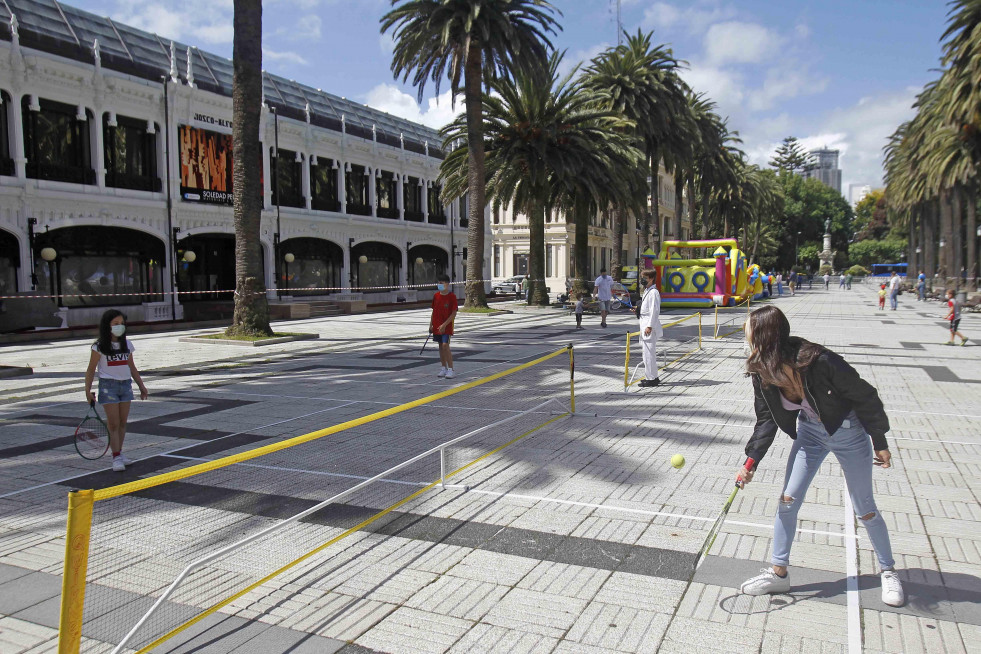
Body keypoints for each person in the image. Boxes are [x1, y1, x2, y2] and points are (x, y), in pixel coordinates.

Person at [736, 305, 904, 608]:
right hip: (810, 435)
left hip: (848, 432)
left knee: (864, 508)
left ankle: (888, 570)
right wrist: (751, 463)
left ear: (763, 334)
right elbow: (766, 419)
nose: (743, 331)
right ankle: (779, 573)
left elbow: (864, 394)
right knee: (787, 501)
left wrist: (879, 439)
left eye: (747, 326)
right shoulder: (761, 370)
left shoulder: (819, 361)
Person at [84, 310, 148, 471]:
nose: (119, 327)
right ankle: (116, 457)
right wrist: (87, 390)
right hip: (108, 387)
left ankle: (119, 452)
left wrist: (141, 386)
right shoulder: (98, 346)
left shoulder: (127, 345)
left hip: (125, 385)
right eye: (115, 324)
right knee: (113, 423)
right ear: (107, 326)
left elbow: (132, 367)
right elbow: (91, 369)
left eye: (122, 324)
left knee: (122, 422)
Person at [637, 269, 662, 387]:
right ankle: (653, 376)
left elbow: (654, 311)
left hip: (648, 326)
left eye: (645, 278)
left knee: (648, 354)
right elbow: (646, 309)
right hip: (644, 323)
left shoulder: (653, 292)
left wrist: (649, 326)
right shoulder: (647, 290)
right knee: (646, 353)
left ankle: (651, 379)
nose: (643, 280)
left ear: (651, 279)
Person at [430, 274, 458, 379]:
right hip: (436, 326)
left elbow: (453, 313)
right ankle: (443, 368)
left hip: (446, 326)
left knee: (445, 345)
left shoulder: (452, 297)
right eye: (439, 283)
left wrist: (444, 325)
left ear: (447, 284)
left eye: (442, 283)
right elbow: (433, 311)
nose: (440, 285)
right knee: (440, 346)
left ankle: (451, 369)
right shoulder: (436, 296)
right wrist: (431, 325)